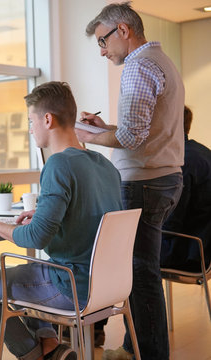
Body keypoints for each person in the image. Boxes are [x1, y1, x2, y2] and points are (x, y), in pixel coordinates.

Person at [0, 81, 123, 360]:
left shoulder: (58, 164)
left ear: (47, 119)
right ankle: (51, 348)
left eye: (30, 121)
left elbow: (36, 237)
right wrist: (44, 213)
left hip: (73, 286)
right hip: (107, 286)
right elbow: (89, 218)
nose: (30, 129)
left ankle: (34, 354)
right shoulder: (105, 165)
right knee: (31, 269)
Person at [77, 3, 184, 360]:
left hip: (144, 182)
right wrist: (104, 128)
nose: (103, 51)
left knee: (139, 275)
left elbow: (132, 138)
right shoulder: (161, 60)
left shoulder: (138, 66)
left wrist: (85, 135)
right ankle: (131, 348)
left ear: (123, 30)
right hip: (164, 178)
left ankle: (149, 354)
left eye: (103, 42)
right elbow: (139, 131)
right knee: (140, 272)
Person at [161, 105, 211, 271]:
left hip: (188, 252)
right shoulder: (203, 153)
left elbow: (172, 221)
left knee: (133, 254)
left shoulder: (180, 162)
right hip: (203, 247)